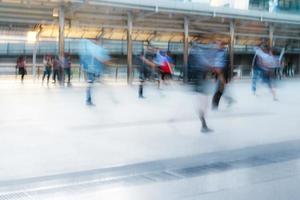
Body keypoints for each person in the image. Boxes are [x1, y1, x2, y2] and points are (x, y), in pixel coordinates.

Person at [188, 42, 213, 133]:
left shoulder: (193, 55)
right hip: (199, 83)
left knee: (203, 105)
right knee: (203, 105)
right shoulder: (196, 55)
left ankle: (204, 125)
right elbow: (204, 64)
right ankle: (204, 126)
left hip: (199, 83)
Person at [79, 39, 110, 106]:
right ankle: (88, 100)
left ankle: (88, 100)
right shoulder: (96, 51)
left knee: (91, 85)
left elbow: (83, 61)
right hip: (92, 72)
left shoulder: (89, 52)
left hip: (93, 71)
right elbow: (103, 60)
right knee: (92, 85)